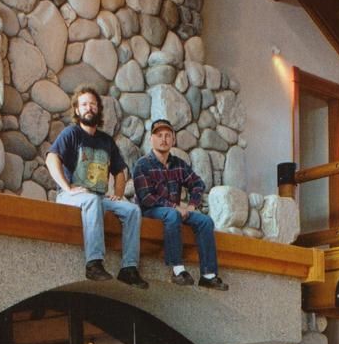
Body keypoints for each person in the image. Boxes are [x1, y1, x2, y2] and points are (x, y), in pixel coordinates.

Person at [46, 86, 148, 287]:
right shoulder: (71, 134)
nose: (89, 108)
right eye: (84, 104)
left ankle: (129, 268)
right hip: (72, 196)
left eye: (92, 104)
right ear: (77, 110)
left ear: (98, 110)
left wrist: (118, 194)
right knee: (91, 200)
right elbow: (51, 158)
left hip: (99, 197)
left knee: (132, 210)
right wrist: (67, 188)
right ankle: (93, 264)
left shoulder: (106, 141)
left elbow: (120, 170)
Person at [133, 118, 228, 290]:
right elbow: (146, 198)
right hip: (150, 212)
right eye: (159, 135)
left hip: (174, 213)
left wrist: (192, 205)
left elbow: (198, 184)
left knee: (205, 221)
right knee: (172, 214)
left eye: (168, 135)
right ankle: (177, 269)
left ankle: (208, 274)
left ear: (173, 140)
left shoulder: (178, 164)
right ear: (151, 139)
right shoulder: (142, 164)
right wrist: (174, 206)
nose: (164, 139)